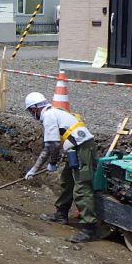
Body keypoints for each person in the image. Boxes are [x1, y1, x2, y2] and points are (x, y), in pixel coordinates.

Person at [23, 92, 100, 244]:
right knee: (67, 180)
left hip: (83, 149)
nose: (32, 115)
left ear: (36, 109)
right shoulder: (55, 113)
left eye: (31, 111)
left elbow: (52, 147)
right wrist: (34, 168)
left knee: (82, 187)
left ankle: (89, 228)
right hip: (76, 149)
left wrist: (52, 163)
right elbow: (49, 146)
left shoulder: (49, 117)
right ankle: (61, 215)